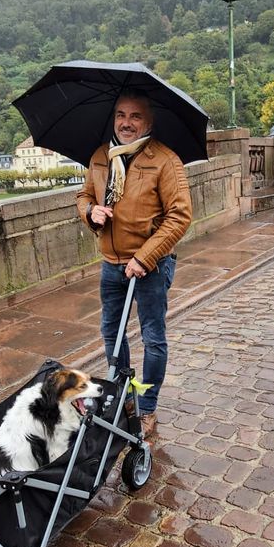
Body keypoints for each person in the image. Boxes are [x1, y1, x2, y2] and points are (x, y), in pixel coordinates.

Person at [76, 90, 192, 436]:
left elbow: (180, 216)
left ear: (149, 122)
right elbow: (84, 195)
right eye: (120, 115)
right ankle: (125, 394)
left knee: (153, 336)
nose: (126, 123)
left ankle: (149, 407)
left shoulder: (166, 161)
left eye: (135, 116)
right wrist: (90, 211)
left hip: (150, 267)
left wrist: (145, 257)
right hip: (111, 264)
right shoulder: (101, 156)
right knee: (111, 332)